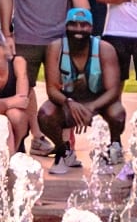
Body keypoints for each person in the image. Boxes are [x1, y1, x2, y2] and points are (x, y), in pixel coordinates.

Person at [38, 9, 122, 169]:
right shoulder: (56, 48)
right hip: (68, 105)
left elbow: (113, 90)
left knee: (117, 112)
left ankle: (111, 149)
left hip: (98, 106)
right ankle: (63, 151)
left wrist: (91, 107)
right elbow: (52, 89)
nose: (78, 29)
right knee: (45, 114)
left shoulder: (105, 49)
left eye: (83, 25)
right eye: (73, 24)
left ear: (91, 28)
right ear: (66, 26)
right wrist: (69, 103)